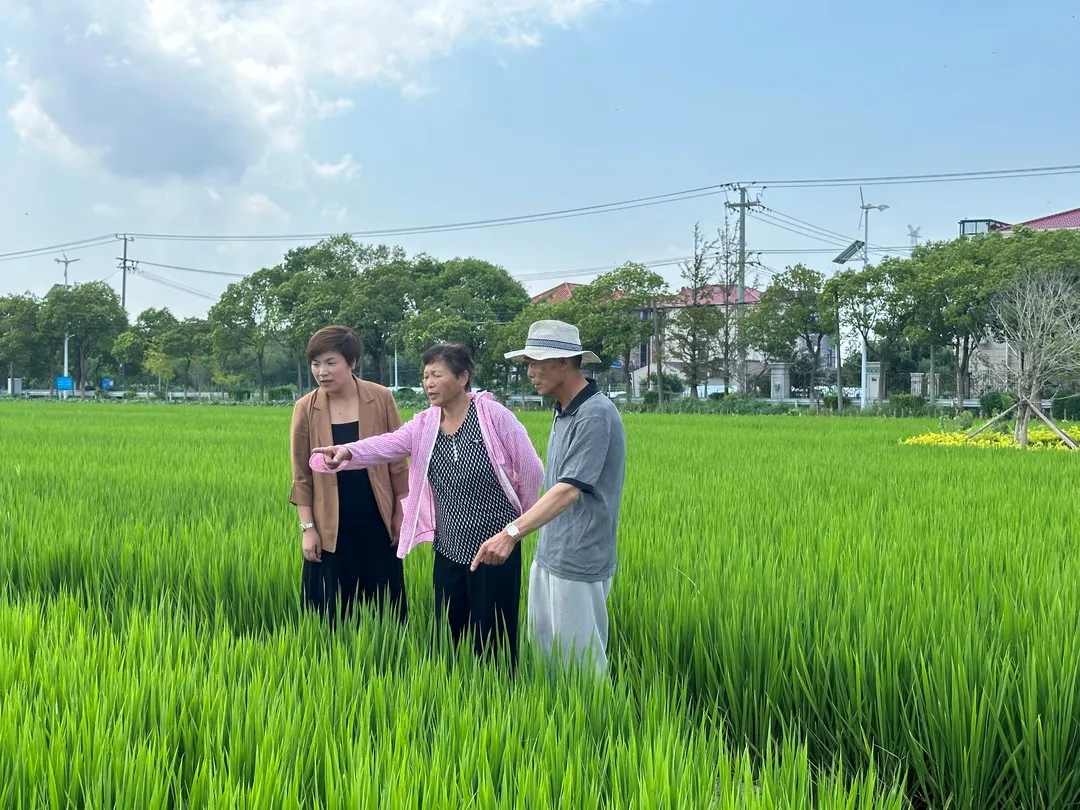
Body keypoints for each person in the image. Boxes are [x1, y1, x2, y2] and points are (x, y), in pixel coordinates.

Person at [309, 342, 543, 667]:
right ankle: (456, 691)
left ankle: (498, 691)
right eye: (425, 376)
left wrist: (519, 523)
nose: (428, 383)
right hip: (448, 546)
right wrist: (348, 451)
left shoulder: (493, 416)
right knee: (449, 635)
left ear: (462, 378)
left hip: (494, 547)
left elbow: (531, 468)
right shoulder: (425, 424)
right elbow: (389, 443)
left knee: (494, 637)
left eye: (437, 375)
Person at [471, 320, 626, 675]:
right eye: (528, 363)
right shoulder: (564, 410)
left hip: (580, 557)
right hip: (551, 552)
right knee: (546, 662)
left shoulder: (595, 413)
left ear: (564, 362)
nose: (529, 372)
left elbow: (568, 489)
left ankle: (598, 715)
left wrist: (511, 533)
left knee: (581, 668)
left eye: (536, 363)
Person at [289, 325, 409, 628]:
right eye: (316, 364)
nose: (322, 372)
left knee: (385, 615)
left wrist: (401, 512)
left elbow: (398, 461)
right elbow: (301, 476)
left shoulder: (380, 398)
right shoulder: (305, 408)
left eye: (331, 362)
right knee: (330, 618)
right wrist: (308, 529)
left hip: (377, 521)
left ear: (352, 362)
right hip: (330, 526)